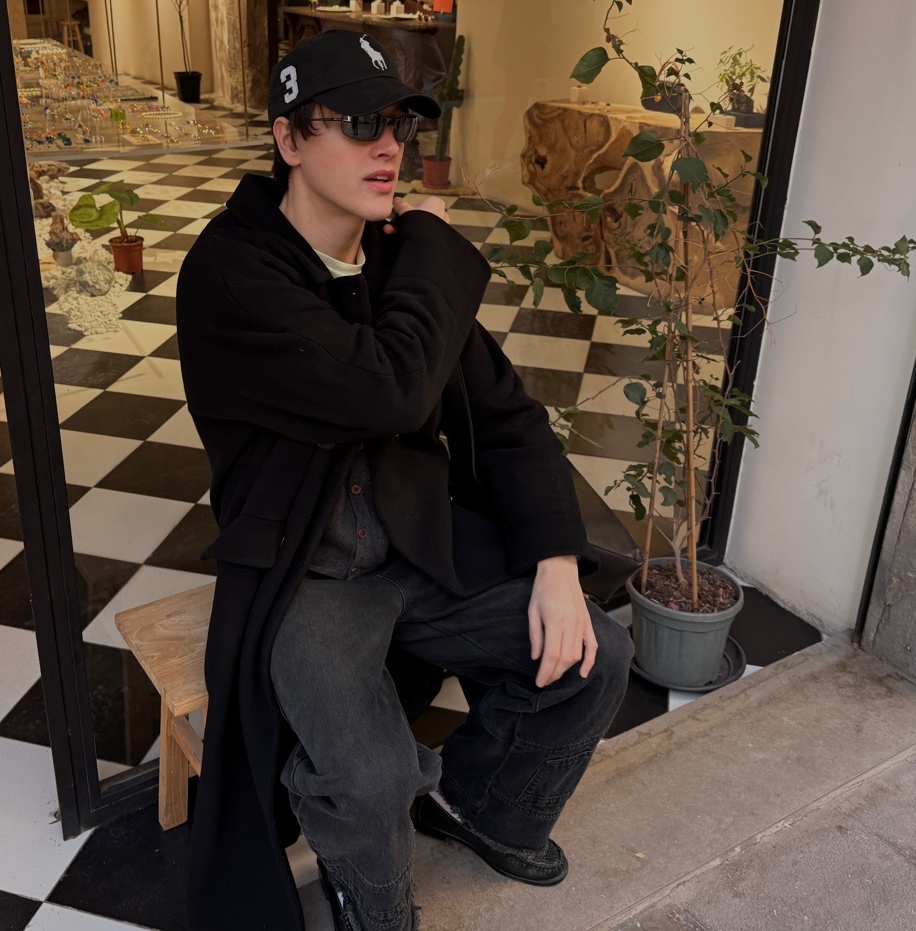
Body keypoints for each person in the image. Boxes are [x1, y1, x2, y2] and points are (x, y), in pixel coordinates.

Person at [176, 29, 634, 931]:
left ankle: (477, 804)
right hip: (305, 573)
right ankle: (376, 907)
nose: (388, 146)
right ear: (288, 139)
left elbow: (506, 418)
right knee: (371, 771)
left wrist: (553, 563)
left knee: (596, 655)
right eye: (356, 123)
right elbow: (383, 390)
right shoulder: (233, 272)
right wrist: (430, 244)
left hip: (419, 545)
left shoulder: (396, 267)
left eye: (398, 124)